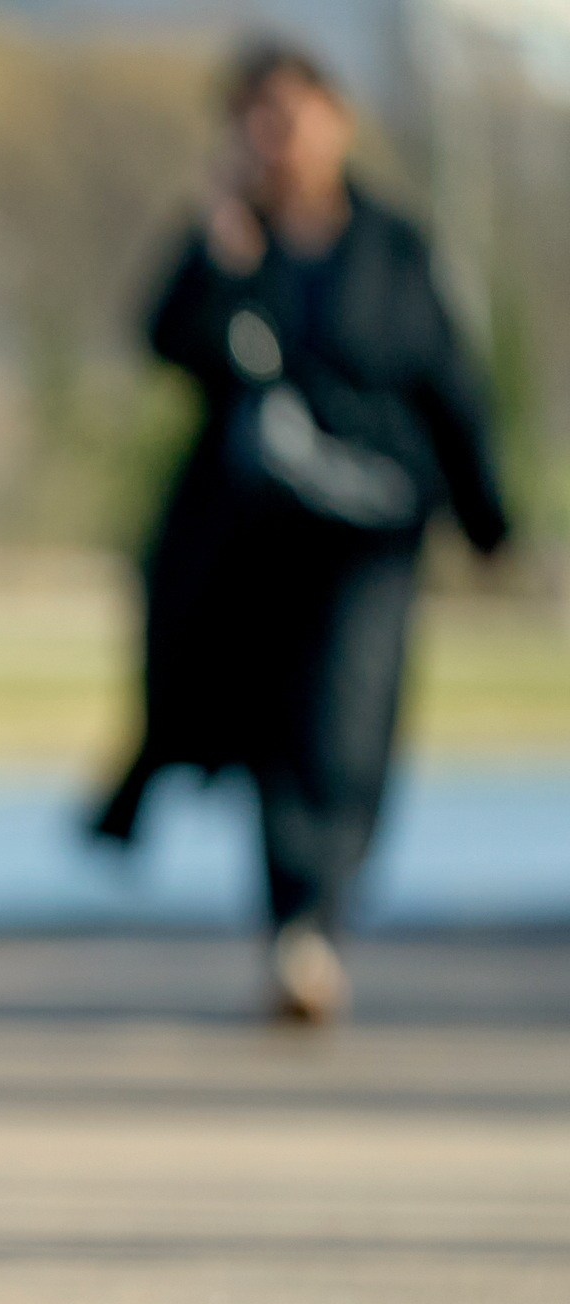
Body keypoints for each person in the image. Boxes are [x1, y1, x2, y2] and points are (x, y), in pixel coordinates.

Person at [94, 39, 510, 1024]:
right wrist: (215, 251)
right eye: (255, 119)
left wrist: (488, 519)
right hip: (253, 533)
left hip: (370, 531)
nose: (275, 137)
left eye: (291, 114)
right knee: (277, 733)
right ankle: (296, 929)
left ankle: (319, 914)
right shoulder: (229, 242)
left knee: (349, 721)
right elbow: (163, 341)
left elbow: (452, 386)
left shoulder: (397, 246)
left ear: (338, 120)